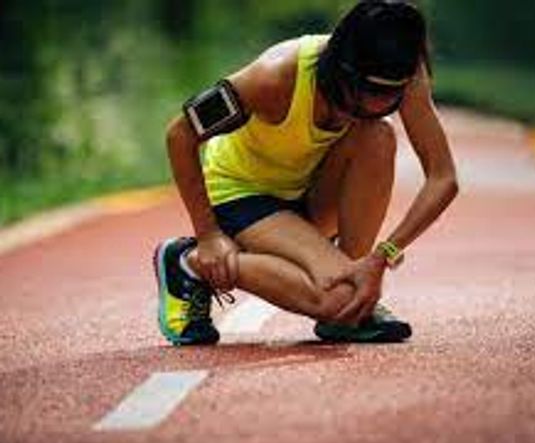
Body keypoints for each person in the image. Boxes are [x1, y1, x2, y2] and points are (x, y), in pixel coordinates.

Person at [154, 0, 458, 345]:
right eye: (357, 98)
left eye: (388, 98)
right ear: (341, 68)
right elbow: (180, 134)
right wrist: (208, 234)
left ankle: (348, 283)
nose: (367, 109)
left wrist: (380, 257)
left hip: (308, 194)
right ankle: (188, 263)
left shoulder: (401, 74)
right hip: (243, 195)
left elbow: (442, 178)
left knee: (378, 134)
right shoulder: (273, 76)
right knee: (340, 300)